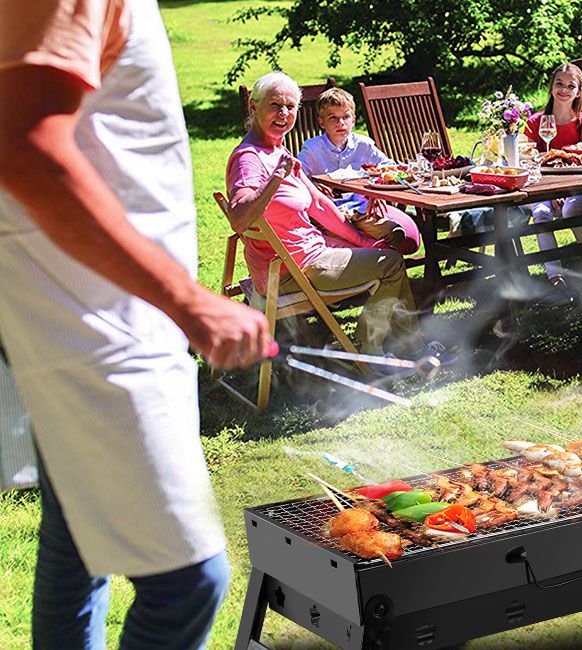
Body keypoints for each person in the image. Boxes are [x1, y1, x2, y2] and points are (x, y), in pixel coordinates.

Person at [0, 1, 272, 647]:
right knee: (189, 581)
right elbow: (22, 144)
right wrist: (189, 300)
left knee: (75, 551)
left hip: (98, 305)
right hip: (91, 318)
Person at [227, 72, 448, 361]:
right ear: (254, 108)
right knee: (391, 264)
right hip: (291, 272)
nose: (284, 114)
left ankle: (405, 345)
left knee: (386, 250)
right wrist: (276, 178)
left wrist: (363, 242)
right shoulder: (250, 158)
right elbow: (239, 218)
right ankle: (371, 352)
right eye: (275, 105)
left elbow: (319, 205)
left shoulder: (277, 150)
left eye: (291, 106)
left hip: (306, 256)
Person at [297, 87, 421, 254]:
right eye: (333, 118)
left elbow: (388, 167)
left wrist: (377, 193)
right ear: (321, 122)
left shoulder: (363, 145)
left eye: (345, 117)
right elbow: (296, 177)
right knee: (345, 238)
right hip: (331, 213)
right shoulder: (312, 149)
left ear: (353, 119)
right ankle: (367, 262)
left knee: (395, 233)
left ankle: (381, 267)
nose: (341, 123)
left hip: (362, 209)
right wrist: (312, 185)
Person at [523, 63, 582, 292]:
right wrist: (551, 192)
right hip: (541, 186)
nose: (564, 89)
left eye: (571, 85)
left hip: (579, 187)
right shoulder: (536, 122)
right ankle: (555, 277)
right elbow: (528, 161)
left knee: (570, 211)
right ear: (551, 87)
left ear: (578, 91)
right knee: (541, 214)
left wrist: (565, 191)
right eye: (559, 83)